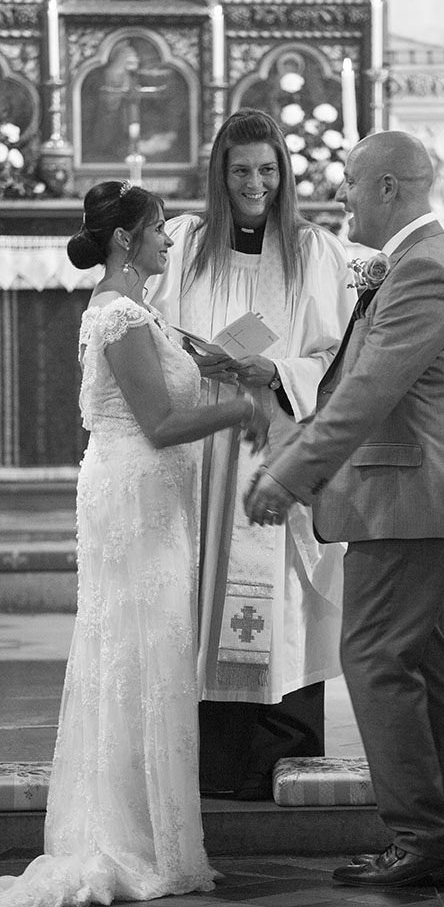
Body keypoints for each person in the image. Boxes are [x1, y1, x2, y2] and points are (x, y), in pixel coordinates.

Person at [0, 181, 268, 907]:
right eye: (158, 229)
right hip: (136, 498)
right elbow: (156, 422)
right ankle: (125, 835)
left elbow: (170, 375)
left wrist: (215, 362)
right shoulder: (119, 313)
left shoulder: (140, 311)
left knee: (146, 652)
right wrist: (239, 409)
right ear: (125, 239)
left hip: (147, 497)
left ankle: (145, 824)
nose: (169, 239)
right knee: (138, 653)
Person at [245, 130, 444, 888]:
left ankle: (422, 834)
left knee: (377, 660)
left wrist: (288, 474)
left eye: (352, 182)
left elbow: (364, 396)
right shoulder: (418, 262)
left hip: (407, 499)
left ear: (388, 187)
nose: (341, 195)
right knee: (421, 662)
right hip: (413, 497)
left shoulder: (422, 270)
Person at [145, 108, 355, 800]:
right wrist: (201, 356)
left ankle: (280, 749)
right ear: (220, 174)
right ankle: (213, 758)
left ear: (284, 172)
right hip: (203, 447)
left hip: (274, 439)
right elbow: (151, 331)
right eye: (241, 171)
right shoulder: (184, 242)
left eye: (268, 170)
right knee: (202, 584)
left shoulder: (314, 251)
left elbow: (332, 354)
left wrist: (275, 372)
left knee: (283, 593)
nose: (255, 183)